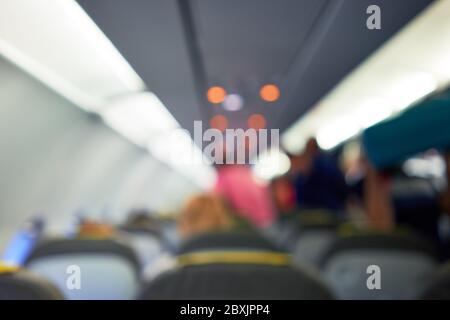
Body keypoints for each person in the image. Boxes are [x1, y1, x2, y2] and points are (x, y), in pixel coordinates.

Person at [289, 138, 349, 213]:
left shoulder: (324, 167)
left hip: (335, 210)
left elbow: (339, 185)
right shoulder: (300, 182)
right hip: (323, 215)